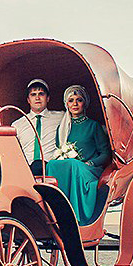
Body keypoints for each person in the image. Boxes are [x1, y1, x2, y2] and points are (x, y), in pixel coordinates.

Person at [47, 84, 111, 225]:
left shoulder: (93, 126)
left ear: (85, 103)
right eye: (71, 100)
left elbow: (105, 153)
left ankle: (74, 216)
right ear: (66, 104)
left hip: (90, 168)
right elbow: (59, 148)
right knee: (51, 164)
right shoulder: (63, 128)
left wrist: (91, 163)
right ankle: (54, 213)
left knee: (73, 165)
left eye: (79, 100)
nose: (75, 104)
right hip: (72, 167)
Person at [12, 79, 63, 178]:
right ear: (28, 100)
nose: (37, 98)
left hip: (51, 169)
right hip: (26, 172)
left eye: (41, 94)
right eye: (33, 94)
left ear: (48, 98)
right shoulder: (17, 125)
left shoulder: (61, 117)